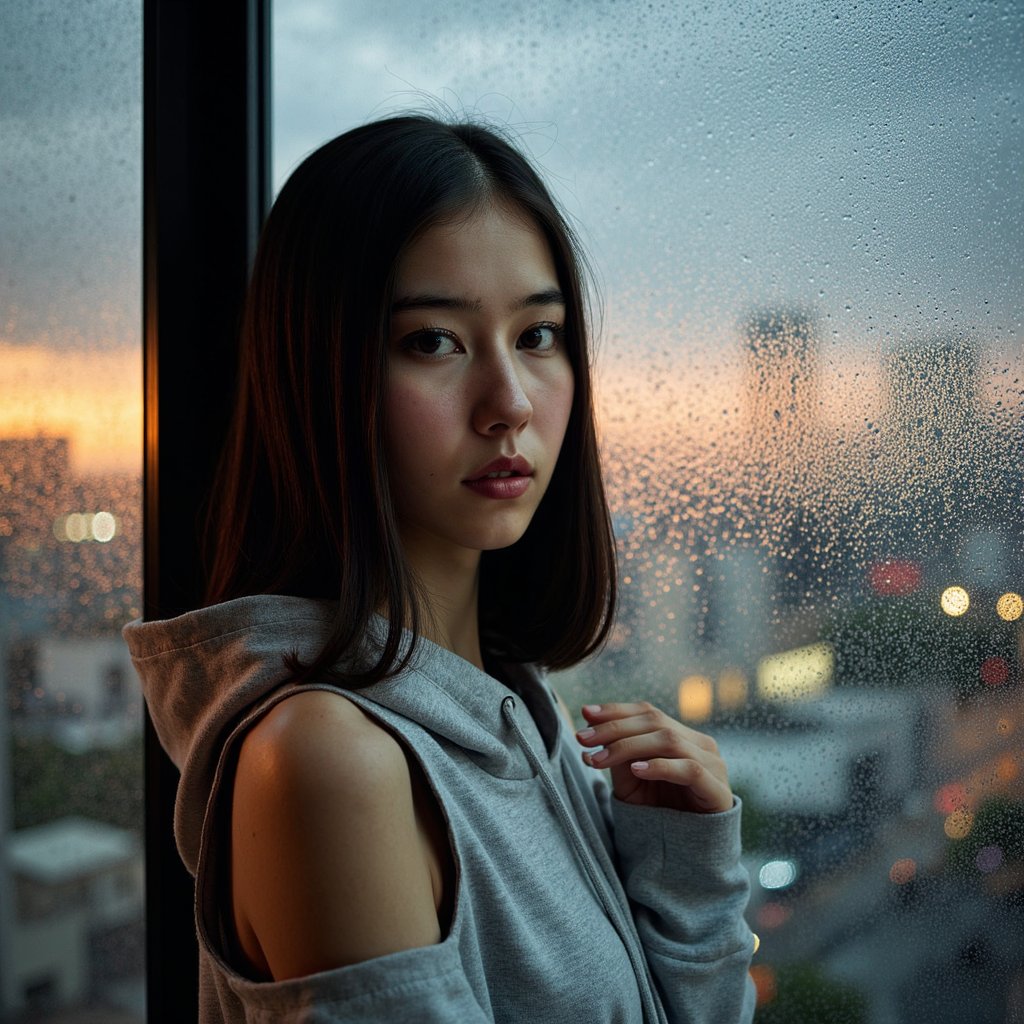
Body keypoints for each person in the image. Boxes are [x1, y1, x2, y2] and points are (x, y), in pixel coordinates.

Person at [124, 114, 757, 1023]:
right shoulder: (328, 760)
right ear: (321, 375)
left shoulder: (521, 713)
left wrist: (686, 874)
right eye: (433, 341)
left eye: (538, 335)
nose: (509, 403)